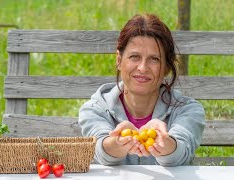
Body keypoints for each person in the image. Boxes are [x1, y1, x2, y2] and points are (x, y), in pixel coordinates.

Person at [78, 13, 205, 166]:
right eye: (134, 56)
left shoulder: (188, 110)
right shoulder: (95, 109)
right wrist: (118, 142)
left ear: (166, 67)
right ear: (119, 60)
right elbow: (99, 150)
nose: (143, 68)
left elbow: (183, 152)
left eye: (154, 59)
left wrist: (164, 142)